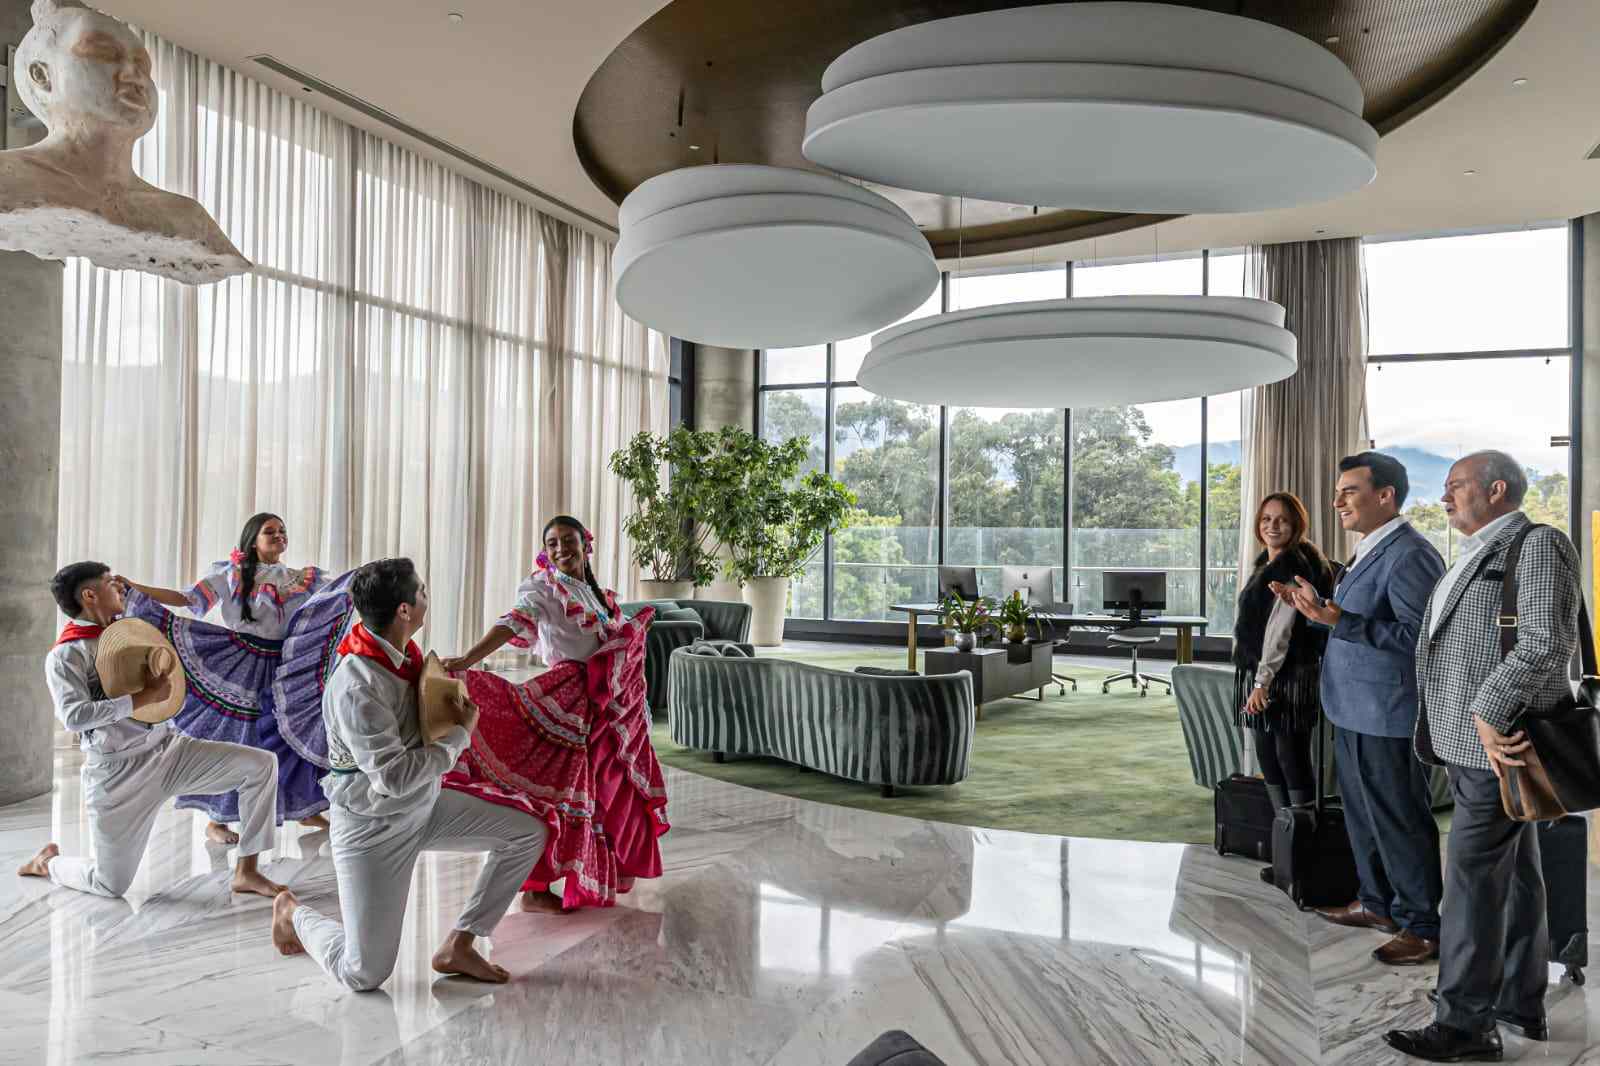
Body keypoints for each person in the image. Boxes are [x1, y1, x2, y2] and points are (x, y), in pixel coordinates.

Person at [271, 558, 550, 990]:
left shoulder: (404, 655)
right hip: (371, 826)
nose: (426, 597)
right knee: (363, 973)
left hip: (424, 807)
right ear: (404, 610)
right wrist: (460, 735)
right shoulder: (357, 684)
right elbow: (393, 778)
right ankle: (293, 913)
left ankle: (461, 943)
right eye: (421, 591)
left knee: (527, 834)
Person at [1385, 451, 1580, 1061]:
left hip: (1499, 743)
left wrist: (1488, 711)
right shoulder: (1475, 552)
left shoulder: (1539, 544)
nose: (1444, 496)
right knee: (1516, 875)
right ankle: (1518, 1002)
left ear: (1497, 490)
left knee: (1470, 881)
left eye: (1456, 485)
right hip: (1473, 744)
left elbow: (1546, 642)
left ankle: (1464, 1027)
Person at [441, 514, 668, 911]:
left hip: (602, 707)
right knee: (553, 789)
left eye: (568, 540)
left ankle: (597, 870)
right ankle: (534, 887)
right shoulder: (544, 588)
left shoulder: (596, 595)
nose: (561, 548)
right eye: (553, 543)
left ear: (585, 545)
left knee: (602, 791)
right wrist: (467, 659)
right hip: (567, 701)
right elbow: (512, 624)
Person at [18, 561, 283, 899]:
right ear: (89, 595)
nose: (120, 586)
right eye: (109, 582)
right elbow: (74, 716)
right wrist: (142, 698)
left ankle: (247, 871)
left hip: (169, 750)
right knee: (110, 884)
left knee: (261, 765)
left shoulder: (131, 631)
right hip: (118, 774)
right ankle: (48, 863)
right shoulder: (65, 654)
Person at [1278, 452, 1446, 966]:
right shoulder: (1370, 549)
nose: (1337, 502)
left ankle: (1422, 926)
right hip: (1351, 707)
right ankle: (1377, 904)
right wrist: (1314, 611)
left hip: (1387, 712)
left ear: (1385, 496)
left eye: (1349, 491)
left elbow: (1422, 638)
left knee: (1398, 818)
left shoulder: (1410, 554)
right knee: (1362, 815)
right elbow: (1354, 622)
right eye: (1338, 492)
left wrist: (1339, 621)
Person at [119, 513, 333, 843]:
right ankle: (216, 819)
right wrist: (135, 588)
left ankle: (303, 807)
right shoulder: (230, 573)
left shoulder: (301, 579)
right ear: (253, 541)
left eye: (282, 531)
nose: (279, 535)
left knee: (289, 732)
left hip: (283, 663)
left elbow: (327, 608)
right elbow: (187, 598)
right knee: (236, 737)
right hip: (240, 661)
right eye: (270, 531)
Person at [1232, 493, 1334, 834]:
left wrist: (1262, 682)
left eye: (1282, 520)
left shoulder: (1293, 568)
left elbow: (1280, 631)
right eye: (1266, 519)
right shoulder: (1267, 564)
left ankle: (1302, 840)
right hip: (1264, 672)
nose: (1272, 526)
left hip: (1286, 676)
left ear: (1296, 525)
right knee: (1269, 755)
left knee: (1289, 757)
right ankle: (1284, 835)